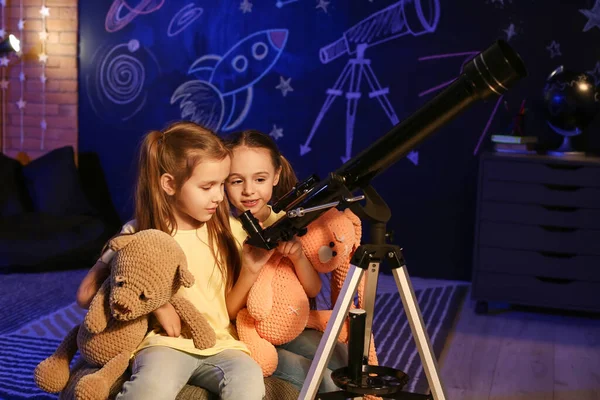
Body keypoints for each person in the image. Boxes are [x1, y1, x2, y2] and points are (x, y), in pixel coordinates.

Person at [76, 121, 271, 400]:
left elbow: (226, 311)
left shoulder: (231, 231)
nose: (219, 196)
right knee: (149, 389)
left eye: (222, 184)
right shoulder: (137, 232)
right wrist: (159, 304)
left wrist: (251, 271)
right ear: (169, 184)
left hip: (223, 345)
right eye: (207, 186)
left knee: (249, 382)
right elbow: (85, 295)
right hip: (165, 344)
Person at [223, 129, 349, 393]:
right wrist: (249, 270)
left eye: (259, 179)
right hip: (251, 334)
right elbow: (228, 312)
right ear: (223, 181)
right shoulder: (227, 231)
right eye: (236, 181)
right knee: (327, 383)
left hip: (291, 324)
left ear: (276, 175)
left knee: (343, 360)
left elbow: (313, 290)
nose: (249, 191)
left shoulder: (287, 220)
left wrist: (299, 257)